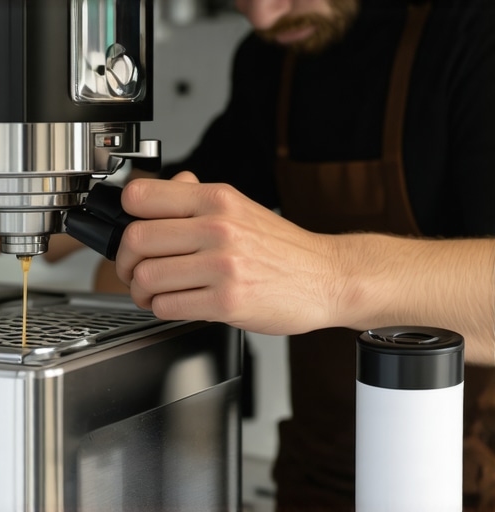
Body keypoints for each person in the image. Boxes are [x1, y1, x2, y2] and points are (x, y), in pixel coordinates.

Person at [113, 0, 495, 510]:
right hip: (319, 477)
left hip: (469, 483)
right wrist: (38, 196)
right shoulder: (272, 61)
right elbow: (190, 198)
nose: (263, 18)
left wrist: (328, 276)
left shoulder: (474, 35)